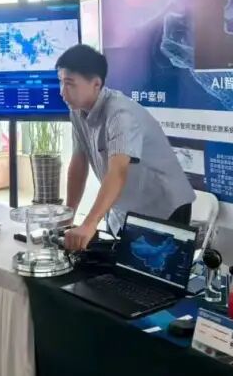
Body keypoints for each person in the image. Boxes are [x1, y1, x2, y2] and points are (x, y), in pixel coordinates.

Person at [57, 44, 196, 251]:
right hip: (127, 205)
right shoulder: (77, 112)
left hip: (164, 205)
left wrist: (89, 223)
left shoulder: (120, 114)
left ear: (96, 83)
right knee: (118, 265)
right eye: (60, 82)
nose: (62, 92)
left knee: (153, 265)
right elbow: (78, 165)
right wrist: (68, 218)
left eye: (69, 84)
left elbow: (118, 171)